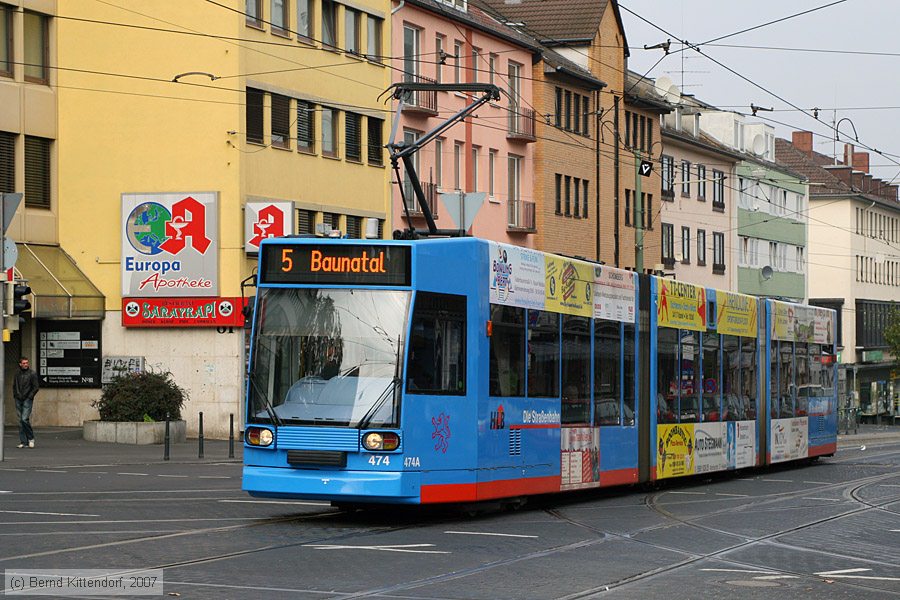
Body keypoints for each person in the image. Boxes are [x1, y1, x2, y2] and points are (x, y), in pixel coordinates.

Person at [13, 356, 39, 449]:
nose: (25, 365)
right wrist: (15, 395)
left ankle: (31, 438)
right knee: (20, 421)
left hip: (27, 399)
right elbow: (14, 385)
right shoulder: (17, 373)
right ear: (20, 364)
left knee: (24, 419)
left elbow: (36, 387)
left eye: (26, 363)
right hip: (18, 398)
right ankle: (23, 441)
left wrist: (30, 396)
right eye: (23, 363)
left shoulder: (32, 374)